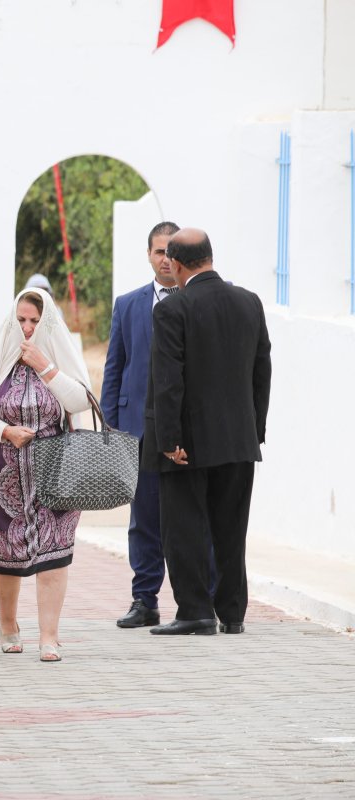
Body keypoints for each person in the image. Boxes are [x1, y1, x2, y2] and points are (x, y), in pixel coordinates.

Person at [146, 229, 271, 637]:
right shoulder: (249, 302)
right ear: (210, 257)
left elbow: (168, 380)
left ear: (177, 265)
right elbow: (261, 373)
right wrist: (255, 430)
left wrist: (168, 441)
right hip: (239, 440)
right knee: (231, 530)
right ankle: (232, 614)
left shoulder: (172, 310)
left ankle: (195, 612)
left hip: (189, 444)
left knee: (184, 529)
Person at [0, 288, 92, 662]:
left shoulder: (57, 353)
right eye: (21, 320)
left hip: (56, 467)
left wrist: (45, 366)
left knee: (56, 549)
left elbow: (81, 400)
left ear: (47, 323)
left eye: (34, 321)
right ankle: (8, 623)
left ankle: (49, 636)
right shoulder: (1, 353)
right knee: (5, 549)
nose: (26, 328)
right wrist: (6, 431)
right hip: (1, 469)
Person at [101, 221, 181, 628]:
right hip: (136, 430)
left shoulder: (195, 302)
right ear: (149, 255)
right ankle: (144, 599)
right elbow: (114, 369)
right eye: (158, 251)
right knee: (144, 519)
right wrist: (110, 430)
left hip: (184, 434)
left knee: (186, 518)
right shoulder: (128, 304)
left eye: (172, 251)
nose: (165, 259)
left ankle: (196, 601)